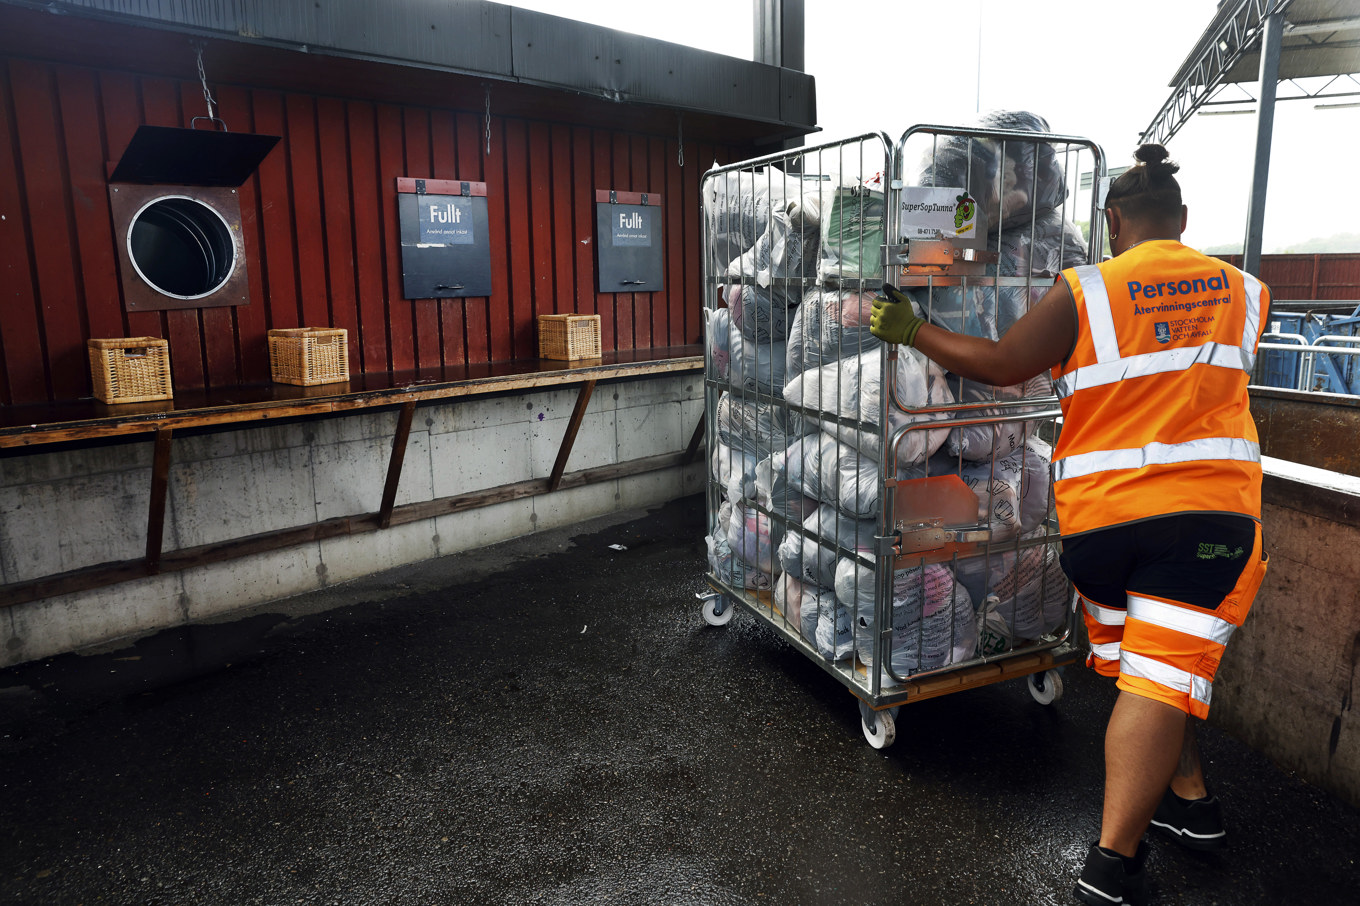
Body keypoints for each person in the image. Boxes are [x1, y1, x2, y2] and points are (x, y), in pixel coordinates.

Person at [870, 143, 1270, 906]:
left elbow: (997, 361)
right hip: (1204, 523)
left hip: (1102, 526)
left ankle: (1172, 817)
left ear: (1112, 220)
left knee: (1149, 673)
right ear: (1183, 220)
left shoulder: (1085, 289)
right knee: (1161, 679)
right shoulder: (1248, 294)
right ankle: (1119, 861)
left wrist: (911, 329)